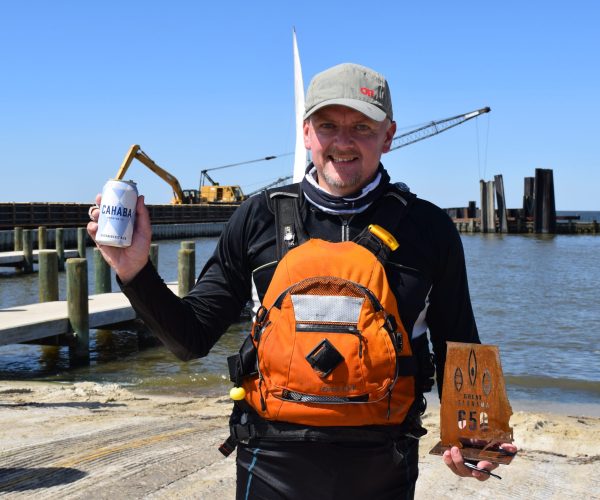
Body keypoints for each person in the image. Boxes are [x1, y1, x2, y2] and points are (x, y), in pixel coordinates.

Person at [88, 63, 517, 499]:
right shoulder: (256, 218)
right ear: (306, 132)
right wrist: (134, 270)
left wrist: (481, 434)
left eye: (362, 127)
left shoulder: (429, 227)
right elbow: (191, 338)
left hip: (383, 464)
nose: (343, 141)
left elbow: (460, 345)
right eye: (328, 125)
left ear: (388, 135)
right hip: (271, 462)